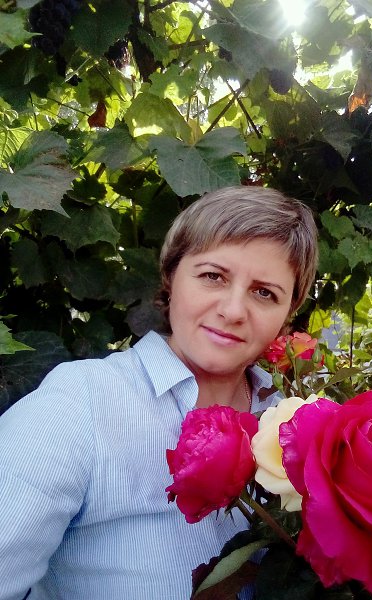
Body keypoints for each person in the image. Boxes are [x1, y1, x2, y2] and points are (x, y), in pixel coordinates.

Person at [0, 186, 318, 599]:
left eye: (264, 293)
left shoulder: (294, 427)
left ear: (288, 313)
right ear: (171, 276)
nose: (233, 311)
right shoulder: (82, 402)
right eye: (213, 276)